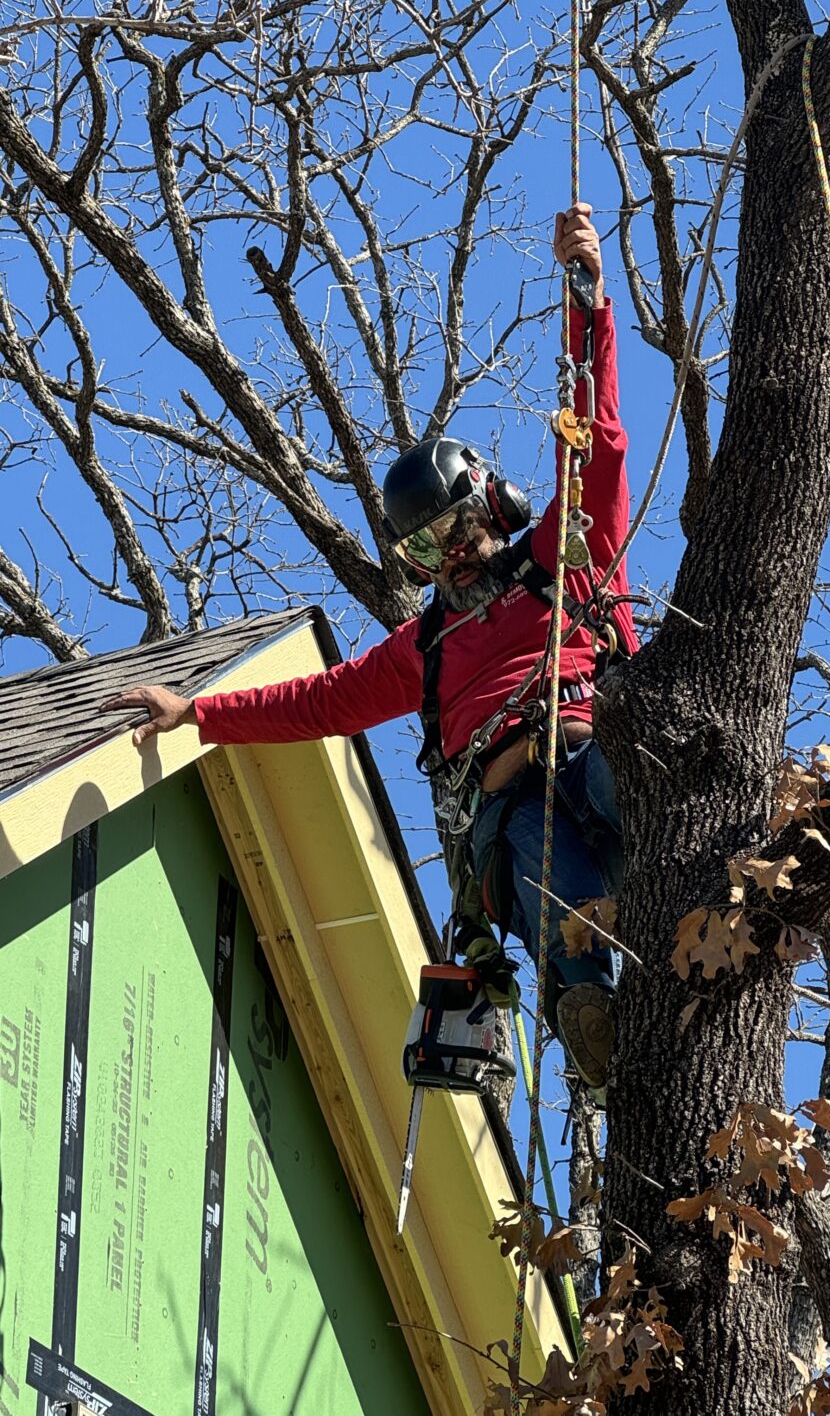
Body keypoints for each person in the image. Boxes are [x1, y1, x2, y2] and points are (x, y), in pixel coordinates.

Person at [102, 204, 638, 1095]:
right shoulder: (424, 649)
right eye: (429, 548)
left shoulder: (560, 560)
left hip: (592, 745)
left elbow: (598, 447)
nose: (455, 553)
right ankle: (603, 1038)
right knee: (566, 921)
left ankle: (715, 870)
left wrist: (588, 300)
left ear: (489, 504)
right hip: (514, 810)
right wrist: (198, 713)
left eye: (459, 526)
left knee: (642, 799)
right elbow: (317, 701)